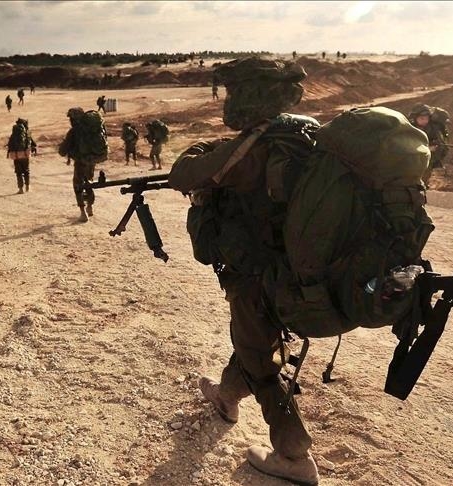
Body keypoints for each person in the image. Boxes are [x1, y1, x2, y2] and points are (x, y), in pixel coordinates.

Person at [168, 57, 320, 485]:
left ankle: (294, 455)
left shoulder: (254, 145)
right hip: (292, 270)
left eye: (234, 92)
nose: (228, 99)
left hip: (256, 275)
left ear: (251, 96)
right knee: (252, 340)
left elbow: (184, 174)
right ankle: (227, 394)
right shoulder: (304, 134)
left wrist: (203, 148)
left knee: (259, 359)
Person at [59, 107, 100, 222]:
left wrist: (63, 146)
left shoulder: (73, 132)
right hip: (91, 162)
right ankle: (90, 206)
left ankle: (83, 212)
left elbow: (62, 151)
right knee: (89, 182)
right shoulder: (91, 130)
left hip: (80, 162)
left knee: (78, 185)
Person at [409, 104, 450, 188]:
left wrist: (430, 149)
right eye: (422, 118)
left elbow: (440, 146)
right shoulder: (409, 128)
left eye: (426, 118)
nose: (425, 121)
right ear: (415, 118)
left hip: (426, 159)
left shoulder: (432, 129)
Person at [7, 118, 35, 194]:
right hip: (25, 155)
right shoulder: (27, 132)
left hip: (16, 155)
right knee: (26, 171)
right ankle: (27, 187)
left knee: (18, 172)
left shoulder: (14, 133)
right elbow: (33, 143)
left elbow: (10, 144)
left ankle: (20, 189)